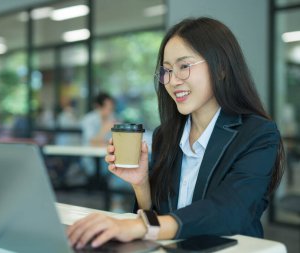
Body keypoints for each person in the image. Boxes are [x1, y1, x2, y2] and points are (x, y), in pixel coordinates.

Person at [67, 17, 285, 249]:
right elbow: (160, 219)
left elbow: (229, 211)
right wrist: (141, 184)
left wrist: (140, 226)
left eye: (184, 66)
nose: (172, 81)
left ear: (221, 68)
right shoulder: (166, 136)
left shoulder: (257, 134)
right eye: (167, 71)